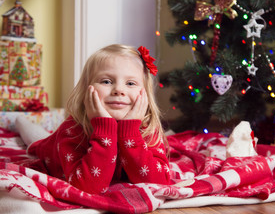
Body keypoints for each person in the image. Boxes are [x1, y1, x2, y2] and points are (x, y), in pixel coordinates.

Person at [24, 44, 171, 194]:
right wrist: (104, 129)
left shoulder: (148, 128)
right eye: (106, 81)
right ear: (86, 89)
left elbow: (159, 184)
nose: (119, 90)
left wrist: (130, 133)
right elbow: (86, 187)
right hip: (47, 147)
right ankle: (22, 123)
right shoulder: (72, 128)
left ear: (145, 93)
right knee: (34, 141)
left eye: (130, 83)